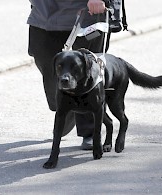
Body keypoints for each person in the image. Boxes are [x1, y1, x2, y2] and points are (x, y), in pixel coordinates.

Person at [27, 0, 123, 150]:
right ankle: (67, 107)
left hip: (89, 14)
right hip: (43, 15)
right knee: (48, 67)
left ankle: (89, 131)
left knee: (87, 73)